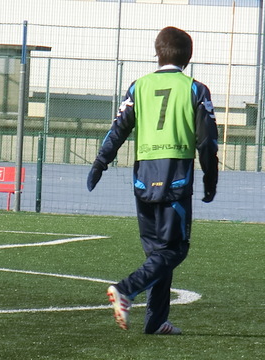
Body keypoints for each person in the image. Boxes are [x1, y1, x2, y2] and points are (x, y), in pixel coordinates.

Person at [87, 26, 218, 335]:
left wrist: (100, 163)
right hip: (175, 175)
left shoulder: (138, 87)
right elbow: (206, 142)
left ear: (157, 53)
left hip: (144, 177)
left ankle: (156, 320)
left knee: (157, 252)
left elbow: (118, 128)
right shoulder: (195, 89)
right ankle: (126, 289)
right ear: (189, 56)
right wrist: (210, 179)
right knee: (175, 249)